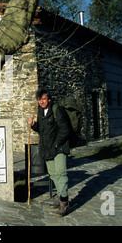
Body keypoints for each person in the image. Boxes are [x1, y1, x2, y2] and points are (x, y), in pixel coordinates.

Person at [28, 88, 71, 217]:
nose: (41, 101)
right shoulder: (41, 111)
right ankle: (59, 197)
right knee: (53, 174)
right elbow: (42, 129)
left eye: (44, 99)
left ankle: (65, 202)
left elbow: (65, 129)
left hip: (59, 148)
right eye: (39, 99)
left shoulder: (57, 110)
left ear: (49, 99)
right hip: (47, 148)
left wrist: (57, 144)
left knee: (61, 173)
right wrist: (33, 125)